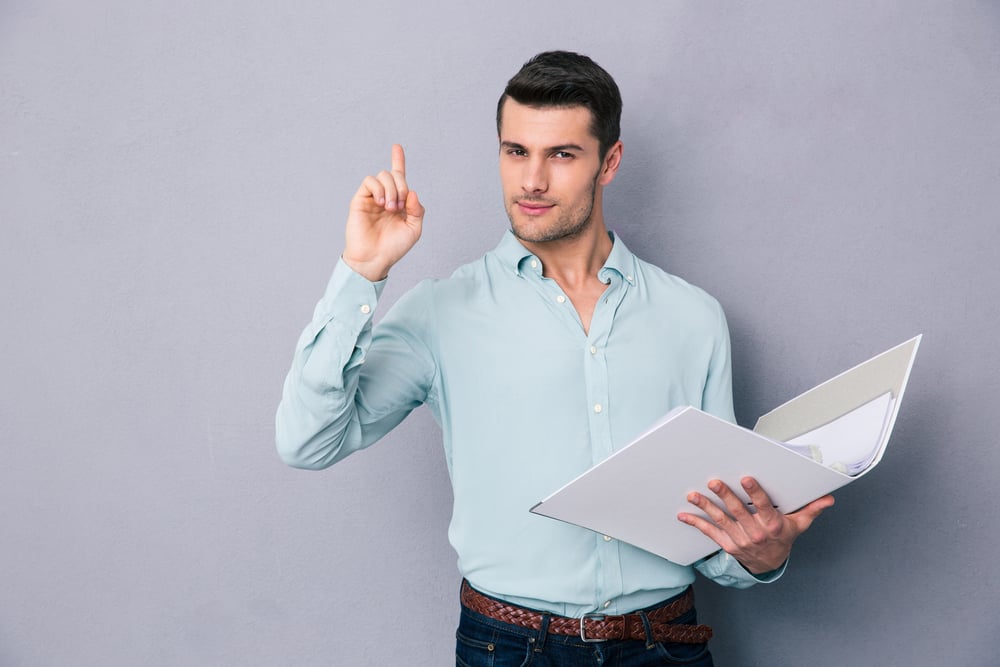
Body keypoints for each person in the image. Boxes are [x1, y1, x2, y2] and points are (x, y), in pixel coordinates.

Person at [276, 50, 833, 666]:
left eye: (561, 155)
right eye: (516, 152)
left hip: (665, 646)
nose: (531, 181)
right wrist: (362, 272)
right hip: (508, 648)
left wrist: (761, 556)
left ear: (609, 162)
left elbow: (716, 530)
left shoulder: (693, 318)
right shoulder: (439, 312)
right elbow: (307, 443)